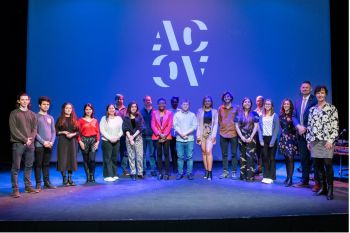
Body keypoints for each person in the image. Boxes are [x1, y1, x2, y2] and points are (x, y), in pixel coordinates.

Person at [306, 86, 338, 200]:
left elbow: (335, 126)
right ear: (316, 95)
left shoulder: (332, 108)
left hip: (327, 142)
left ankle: (330, 189)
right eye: (318, 93)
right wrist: (308, 140)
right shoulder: (312, 109)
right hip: (315, 141)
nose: (320, 95)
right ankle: (323, 187)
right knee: (318, 166)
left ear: (325, 94)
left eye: (322, 93)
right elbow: (309, 126)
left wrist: (331, 140)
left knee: (328, 165)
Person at [9, 92, 39, 197]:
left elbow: (35, 129)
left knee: (29, 166)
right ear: (19, 101)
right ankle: (15, 189)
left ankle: (28, 187)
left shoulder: (33, 114)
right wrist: (24, 139)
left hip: (30, 144)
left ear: (29, 101)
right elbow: (13, 130)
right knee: (16, 167)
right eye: (22, 99)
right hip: (18, 144)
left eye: (26, 99)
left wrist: (30, 139)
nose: (24, 101)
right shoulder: (14, 113)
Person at [292, 81, 318, 190]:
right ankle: (305, 180)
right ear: (300, 89)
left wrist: (305, 127)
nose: (304, 89)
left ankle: (318, 182)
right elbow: (294, 116)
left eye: (307, 87)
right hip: (301, 134)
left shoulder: (315, 100)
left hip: (312, 133)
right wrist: (298, 126)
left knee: (315, 158)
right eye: (303, 87)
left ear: (310, 89)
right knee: (304, 158)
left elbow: (316, 115)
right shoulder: (297, 101)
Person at [34, 96, 57, 190]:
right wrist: (44, 142)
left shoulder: (50, 117)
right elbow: (34, 132)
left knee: (46, 164)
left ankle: (47, 182)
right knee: (38, 164)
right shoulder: (35, 116)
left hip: (49, 145)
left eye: (48, 104)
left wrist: (51, 142)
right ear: (39, 105)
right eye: (44, 104)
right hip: (39, 145)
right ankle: (38, 183)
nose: (46, 106)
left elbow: (53, 132)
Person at [234, 97, 259, 182]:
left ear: (251, 104)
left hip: (252, 137)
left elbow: (256, 126)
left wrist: (251, 137)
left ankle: (250, 176)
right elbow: (236, 126)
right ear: (243, 103)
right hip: (242, 137)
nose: (247, 103)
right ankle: (243, 176)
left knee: (250, 157)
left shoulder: (254, 113)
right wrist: (241, 137)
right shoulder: (238, 113)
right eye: (245, 102)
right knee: (242, 156)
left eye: (249, 102)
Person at [56, 102, 79, 186]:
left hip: (72, 142)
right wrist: (63, 132)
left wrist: (73, 134)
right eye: (66, 108)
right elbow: (55, 131)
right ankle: (64, 178)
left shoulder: (74, 119)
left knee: (71, 159)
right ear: (63, 109)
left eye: (70, 108)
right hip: (63, 141)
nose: (68, 110)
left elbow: (79, 131)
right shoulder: (60, 119)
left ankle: (70, 178)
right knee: (63, 159)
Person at [173, 99, 198, 180]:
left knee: (189, 157)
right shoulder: (177, 115)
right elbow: (175, 126)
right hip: (179, 139)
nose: (185, 106)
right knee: (180, 157)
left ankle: (189, 173)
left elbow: (194, 126)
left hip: (189, 139)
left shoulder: (192, 115)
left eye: (187, 104)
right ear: (181, 105)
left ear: (189, 105)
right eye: (184, 104)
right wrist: (181, 134)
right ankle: (180, 173)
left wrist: (185, 134)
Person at [218, 91, 239, 179]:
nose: (227, 98)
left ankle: (234, 172)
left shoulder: (236, 108)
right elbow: (219, 120)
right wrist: (222, 126)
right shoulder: (220, 108)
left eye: (228, 96)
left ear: (231, 98)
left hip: (233, 133)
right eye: (225, 97)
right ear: (223, 98)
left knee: (234, 154)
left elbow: (238, 119)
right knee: (224, 154)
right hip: (223, 133)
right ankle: (225, 172)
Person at [196, 96, 218, 181]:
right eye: (206, 101)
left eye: (209, 101)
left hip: (210, 134)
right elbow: (198, 124)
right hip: (202, 134)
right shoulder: (199, 111)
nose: (207, 102)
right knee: (204, 152)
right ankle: (206, 171)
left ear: (211, 102)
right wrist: (198, 136)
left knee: (209, 151)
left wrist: (213, 136)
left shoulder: (215, 111)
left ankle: (210, 171)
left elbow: (216, 124)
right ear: (204, 102)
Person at [258, 99, 280, 184]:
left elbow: (276, 129)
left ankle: (271, 176)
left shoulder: (275, 115)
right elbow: (259, 129)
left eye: (269, 104)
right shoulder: (261, 116)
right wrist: (260, 140)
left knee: (271, 158)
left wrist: (272, 141)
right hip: (264, 139)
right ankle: (266, 176)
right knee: (265, 157)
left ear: (271, 106)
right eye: (266, 104)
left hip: (272, 138)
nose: (267, 105)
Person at [100, 104, 123, 182]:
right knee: (107, 158)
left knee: (114, 158)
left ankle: (114, 174)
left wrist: (117, 137)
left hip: (117, 140)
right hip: (106, 141)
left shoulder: (119, 118)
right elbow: (102, 130)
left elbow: (122, 130)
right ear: (107, 110)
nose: (111, 109)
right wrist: (110, 138)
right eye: (109, 108)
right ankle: (107, 175)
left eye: (113, 108)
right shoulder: (104, 118)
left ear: (115, 109)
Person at [151, 98, 173, 180]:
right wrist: (159, 134)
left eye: (163, 103)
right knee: (159, 155)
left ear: (165, 104)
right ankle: (160, 172)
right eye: (160, 103)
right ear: (157, 104)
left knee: (167, 155)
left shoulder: (169, 113)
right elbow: (153, 125)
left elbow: (170, 125)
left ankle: (167, 173)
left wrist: (164, 134)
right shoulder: (154, 113)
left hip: (166, 137)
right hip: (157, 136)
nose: (161, 105)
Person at [78, 103, 100, 183]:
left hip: (93, 140)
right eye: (86, 109)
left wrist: (97, 142)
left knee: (92, 159)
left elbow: (98, 132)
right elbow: (78, 133)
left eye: (90, 109)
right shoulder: (80, 120)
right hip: (84, 140)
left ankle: (92, 175)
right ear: (84, 110)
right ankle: (87, 176)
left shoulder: (95, 120)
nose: (88, 111)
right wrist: (80, 142)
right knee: (86, 159)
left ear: (92, 110)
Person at [123, 101, 145, 181]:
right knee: (131, 156)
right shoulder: (126, 117)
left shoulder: (139, 116)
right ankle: (133, 172)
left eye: (135, 106)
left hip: (138, 137)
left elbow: (141, 127)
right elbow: (125, 128)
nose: (134, 108)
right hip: (129, 138)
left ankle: (140, 172)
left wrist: (133, 136)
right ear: (129, 108)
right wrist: (130, 138)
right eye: (132, 107)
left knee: (139, 156)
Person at [278, 99, 298, 187]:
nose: (286, 105)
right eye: (285, 104)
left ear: (290, 105)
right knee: (286, 159)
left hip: (291, 139)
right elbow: (281, 127)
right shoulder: (281, 115)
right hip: (283, 139)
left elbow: (296, 127)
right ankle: (287, 177)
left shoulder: (293, 115)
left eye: (288, 104)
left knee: (290, 159)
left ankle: (290, 179)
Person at [140, 96, 157, 176]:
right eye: (146, 100)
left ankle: (153, 169)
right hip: (142, 136)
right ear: (144, 102)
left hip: (152, 136)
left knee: (152, 154)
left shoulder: (155, 112)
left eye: (149, 100)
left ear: (151, 101)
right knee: (142, 154)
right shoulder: (140, 112)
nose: (148, 101)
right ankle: (143, 169)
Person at [115, 93, 129, 176]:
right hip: (115, 135)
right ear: (115, 100)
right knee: (115, 153)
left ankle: (124, 170)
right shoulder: (112, 109)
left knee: (124, 153)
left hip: (124, 135)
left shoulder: (126, 110)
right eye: (118, 99)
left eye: (121, 99)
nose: (120, 100)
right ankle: (114, 170)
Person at [169, 96, 180, 173]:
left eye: (176, 102)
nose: (174, 103)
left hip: (179, 134)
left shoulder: (180, 111)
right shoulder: (168, 111)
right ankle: (174, 166)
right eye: (173, 102)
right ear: (171, 102)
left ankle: (180, 166)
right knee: (173, 151)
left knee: (179, 151)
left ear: (178, 102)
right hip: (170, 134)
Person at [254, 96, 265, 174]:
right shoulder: (254, 111)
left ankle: (264, 169)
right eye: (257, 101)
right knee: (257, 152)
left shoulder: (266, 110)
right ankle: (259, 167)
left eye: (260, 100)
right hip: (256, 134)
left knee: (264, 152)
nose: (259, 102)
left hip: (264, 134)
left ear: (263, 101)